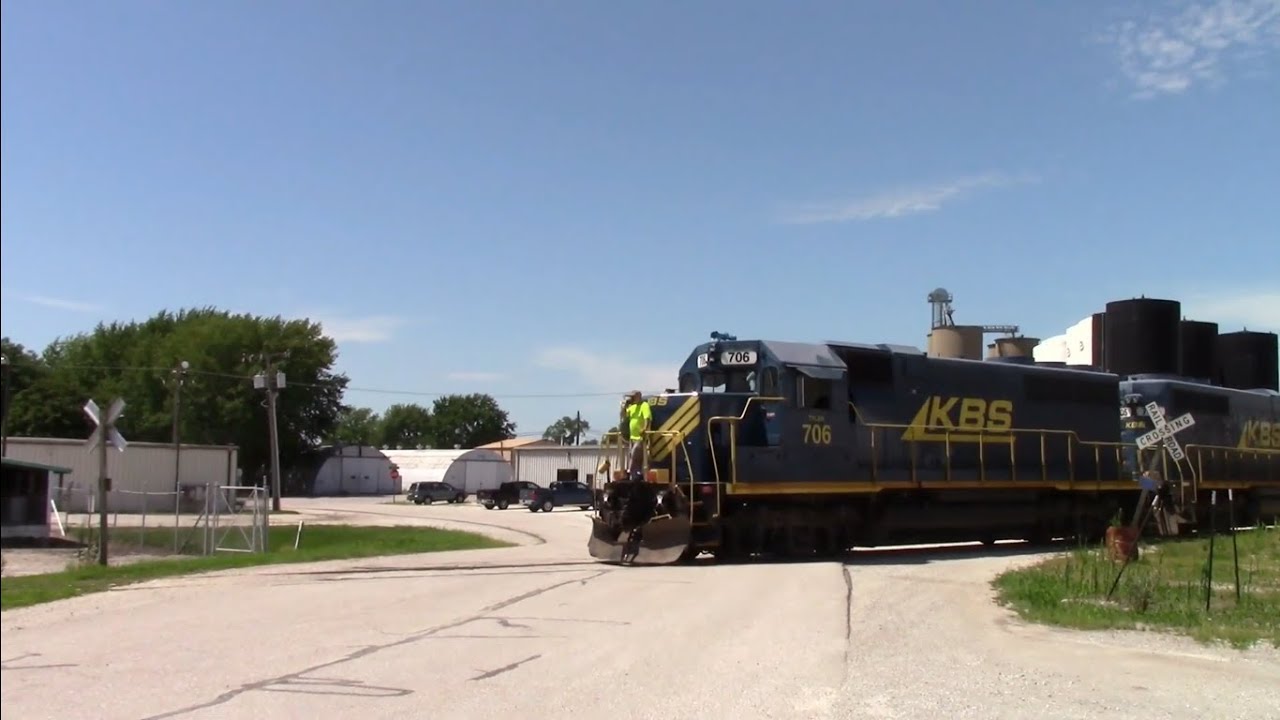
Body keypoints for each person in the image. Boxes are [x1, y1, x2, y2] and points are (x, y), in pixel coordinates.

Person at [623, 390, 652, 479]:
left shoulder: (644, 405)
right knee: (633, 455)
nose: (631, 399)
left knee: (634, 454)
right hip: (632, 437)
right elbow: (624, 416)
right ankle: (635, 475)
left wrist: (644, 428)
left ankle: (630, 472)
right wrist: (624, 407)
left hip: (641, 437)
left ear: (638, 397)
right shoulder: (632, 407)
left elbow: (647, 418)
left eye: (633, 397)